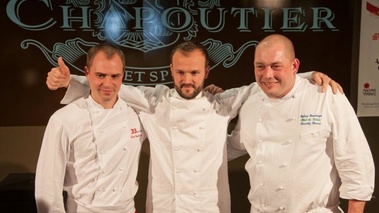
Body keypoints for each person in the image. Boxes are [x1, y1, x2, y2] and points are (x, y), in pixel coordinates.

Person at [45, 41, 341, 212]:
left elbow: (263, 83)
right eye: (182, 72)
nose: (188, 79)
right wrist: (69, 80)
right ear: (171, 70)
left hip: (208, 208)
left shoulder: (222, 102)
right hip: (165, 208)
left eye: (195, 72)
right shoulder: (154, 101)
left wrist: (308, 75)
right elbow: (110, 85)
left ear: (206, 72)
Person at [227, 34, 375, 213]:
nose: (267, 75)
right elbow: (232, 146)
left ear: (294, 66)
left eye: (276, 66)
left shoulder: (326, 96)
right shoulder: (251, 102)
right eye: (260, 66)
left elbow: (356, 161)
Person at [35, 43, 146, 213]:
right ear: (87, 73)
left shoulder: (139, 115)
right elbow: (47, 184)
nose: (108, 83)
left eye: (115, 76)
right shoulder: (64, 119)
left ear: (123, 75)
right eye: (100, 75)